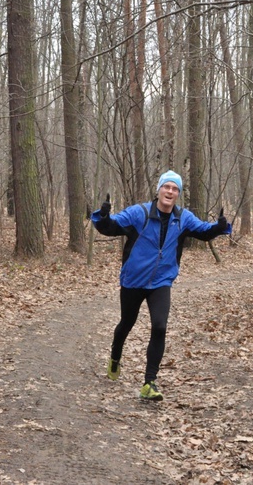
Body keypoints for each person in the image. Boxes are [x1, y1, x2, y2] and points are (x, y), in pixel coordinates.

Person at [92, 170, 231, 401]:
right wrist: (104, 217)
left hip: (161, 281)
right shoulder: (140, 213)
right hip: (133, 281)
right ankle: (115, 356)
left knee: (160, 327)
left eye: (175, 189)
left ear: (178, 194)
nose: (170, 192)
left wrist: (219, 227)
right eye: (166, 187)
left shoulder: (183, 218)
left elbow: (204, 232)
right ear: (158, 190)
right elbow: (112, 226)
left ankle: (150, 382)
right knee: (127, 322)